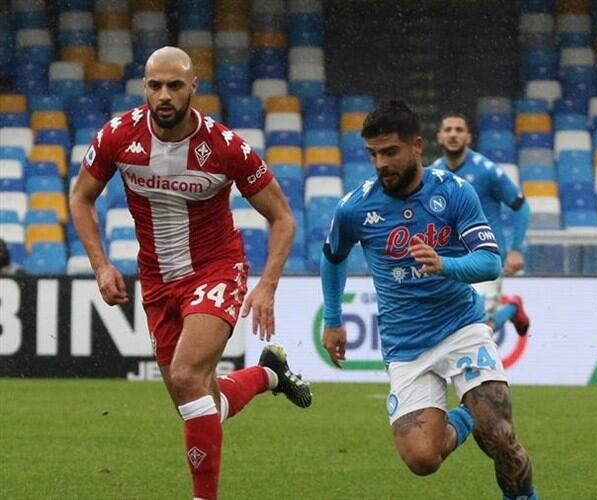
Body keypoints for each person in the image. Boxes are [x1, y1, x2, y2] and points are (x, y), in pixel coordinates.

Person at [69, 46, 312, 500]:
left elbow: (283, 217)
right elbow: (80, 196)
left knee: (186, 377)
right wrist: (100, 266)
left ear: (193, 88)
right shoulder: (117, 137)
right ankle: (268, 375)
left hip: (216, 269)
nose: (164, 95)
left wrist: (266, 285)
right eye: (155, 85)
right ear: (145, 86)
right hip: (158, 281)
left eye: (174, 85)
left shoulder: (224, 147)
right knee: (200, 403)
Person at [321, 100, 537, 500]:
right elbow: (332, 256)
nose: (381, 163)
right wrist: (332, 319)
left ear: (417, 146)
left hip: (462, 328)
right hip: (406, 346)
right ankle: (467, 416)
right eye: (373, 154)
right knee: (422, 459)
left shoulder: (456, 192)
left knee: (502, 439)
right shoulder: (355, 207)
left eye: (390, 152)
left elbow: (490, 262)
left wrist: (446, 265)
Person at [430, 113, 531, 337]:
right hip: (450, 260)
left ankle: (513, 306)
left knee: (480, 328)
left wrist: (516, 249)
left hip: (484, 256)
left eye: (459, 129)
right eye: (448, 130)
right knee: (454, 327)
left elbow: (522, 207)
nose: (453, 134)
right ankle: (512, 308)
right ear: (439, 137)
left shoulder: (487, 171)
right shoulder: (432, 175)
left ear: (469, 137)